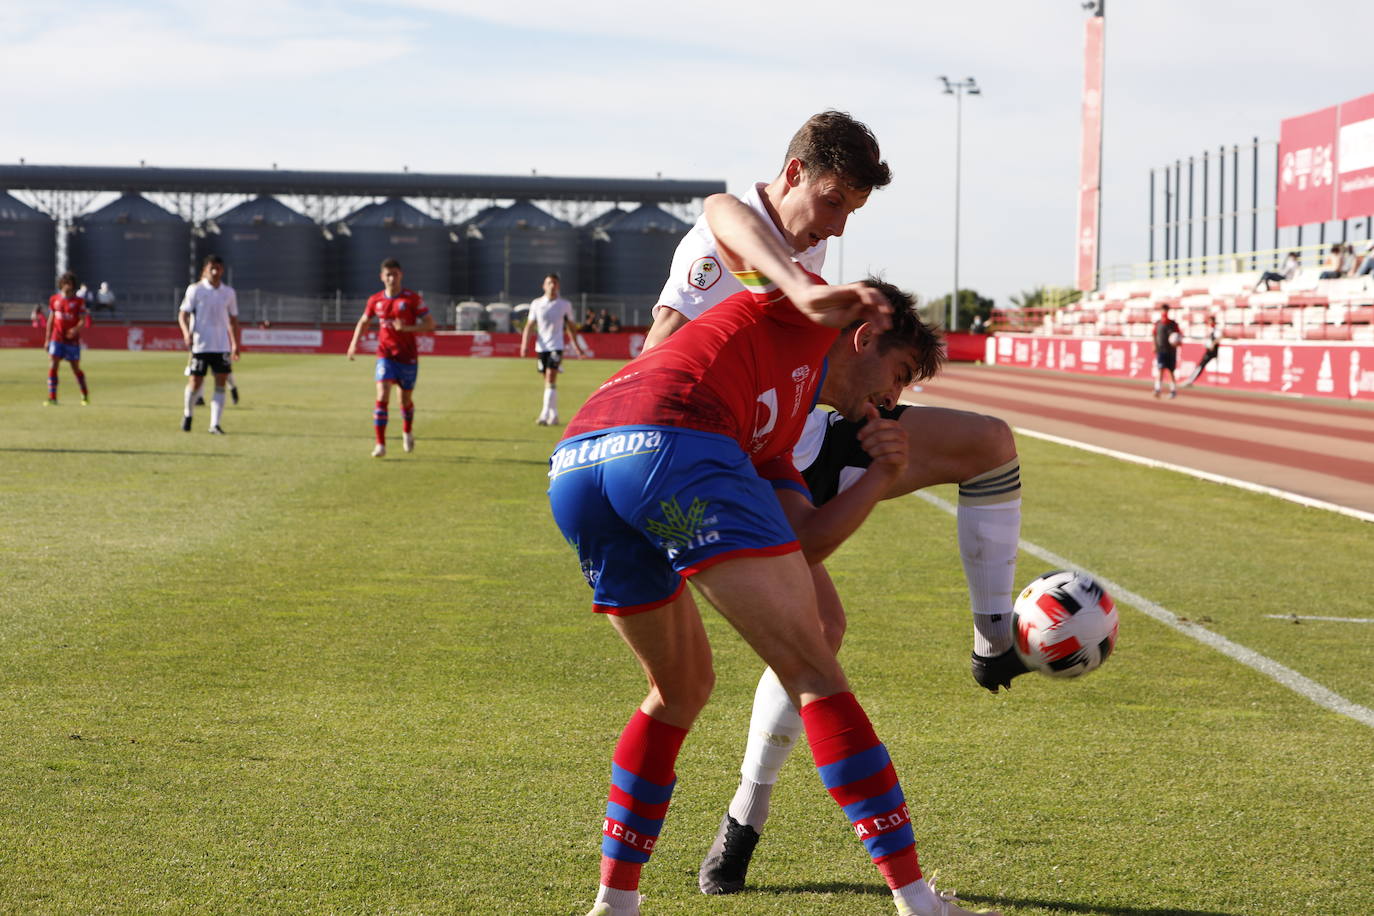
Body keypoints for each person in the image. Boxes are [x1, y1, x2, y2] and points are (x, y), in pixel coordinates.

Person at [550, 193, 999, 916]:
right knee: (814, 670)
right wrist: (799, 284)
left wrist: (882, 474)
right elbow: (722, 208)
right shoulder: (807, 316)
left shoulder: (786, 425)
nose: (897, 397)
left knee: (681, 688)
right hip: (673, 438)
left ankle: (614, 902)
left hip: (579, 463)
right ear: (864, 340)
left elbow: (805, 541)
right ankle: (916, 899)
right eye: (902, 373)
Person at [641, 112, 1025, 891]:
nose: (839, 222)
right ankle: (745, 821)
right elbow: (663, 340)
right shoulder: (722, 244)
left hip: (797, 437)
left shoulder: (809, 246)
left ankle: (994, 638)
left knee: (989, 442)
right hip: (720, 461)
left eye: (853, 209)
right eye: (833, 200)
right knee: (803, 637)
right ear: (791, 175)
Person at [346, 257, 434, 457]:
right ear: (381, 277)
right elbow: (364, 321)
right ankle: (380, 444)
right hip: (385, 354)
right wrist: (353, 344)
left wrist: (408, 328)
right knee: (382, 394)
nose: (391, 279)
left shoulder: (412, 299)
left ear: (400, 275)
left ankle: (407, 431)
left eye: (395, 274)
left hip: (408, 356)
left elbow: (430, 324)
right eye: (388, 275)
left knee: (404, 401)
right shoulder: (375, 300)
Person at [178, 255, 240, 433]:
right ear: (205, 269)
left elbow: (233, 320)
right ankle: (188, 414)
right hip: (200, 345)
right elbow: (183, 314)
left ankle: (215, 424)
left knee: (220, 382)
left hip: (221, 346)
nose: (215, 271)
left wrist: (235, 344)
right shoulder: (195, 290)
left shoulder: (229, 293)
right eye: (212, 267)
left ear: (222, 270)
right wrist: (186, 333)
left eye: (218, 268)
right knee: (195, 382)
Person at [519, 272, 586, 426]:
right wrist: (524, 345)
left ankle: (544, 415)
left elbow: (570, 327)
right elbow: (530, 326)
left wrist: (577, 348)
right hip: (541, 347)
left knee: (550, 377)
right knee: (548, 382)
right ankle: (554, 414)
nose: (552, 286)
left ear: (558, 286)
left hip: (556, 346)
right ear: (544, 286)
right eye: (549, 283)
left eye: (554, 283)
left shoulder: (564, 305)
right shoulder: (536, 304)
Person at [44, 271, 91, 406]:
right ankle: (52, 397)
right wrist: (47, 339)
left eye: (69, 283)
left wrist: (75, 329)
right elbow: (51, 320)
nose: (67, 286)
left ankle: (85, 394)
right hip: (56, 337)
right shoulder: (54, 299)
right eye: (65, 283)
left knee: (75, 368)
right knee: (53, 364)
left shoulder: (78, 302)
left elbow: (82, 320)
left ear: (73, 285)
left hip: (72, 340)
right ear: (61, 284)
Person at [1151, 303, 1181, 399]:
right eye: (1163, 310)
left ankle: (1173, 391)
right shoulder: (1158, 323)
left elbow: (1179, 336)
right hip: (1161, 350)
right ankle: (1157, 389)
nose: (1164, 312)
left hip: (1171, 351)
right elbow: (1154, 335)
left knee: (1171, 371)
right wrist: (1154, 345)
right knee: (1160, 369)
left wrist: (1177, 342)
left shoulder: (1173, 324)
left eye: (1166, 310)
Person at [1184, 314, 1222, 387]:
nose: (1209, 322)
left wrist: (1213, 344)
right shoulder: (1210, 329)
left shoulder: (1216, 330)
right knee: (1200, 365)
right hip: (1209, 350)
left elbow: (1219, 338)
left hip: (1212, 352)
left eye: (1210, 321)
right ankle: (1190, 380)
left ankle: (1190, 380)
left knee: (1201, 365)